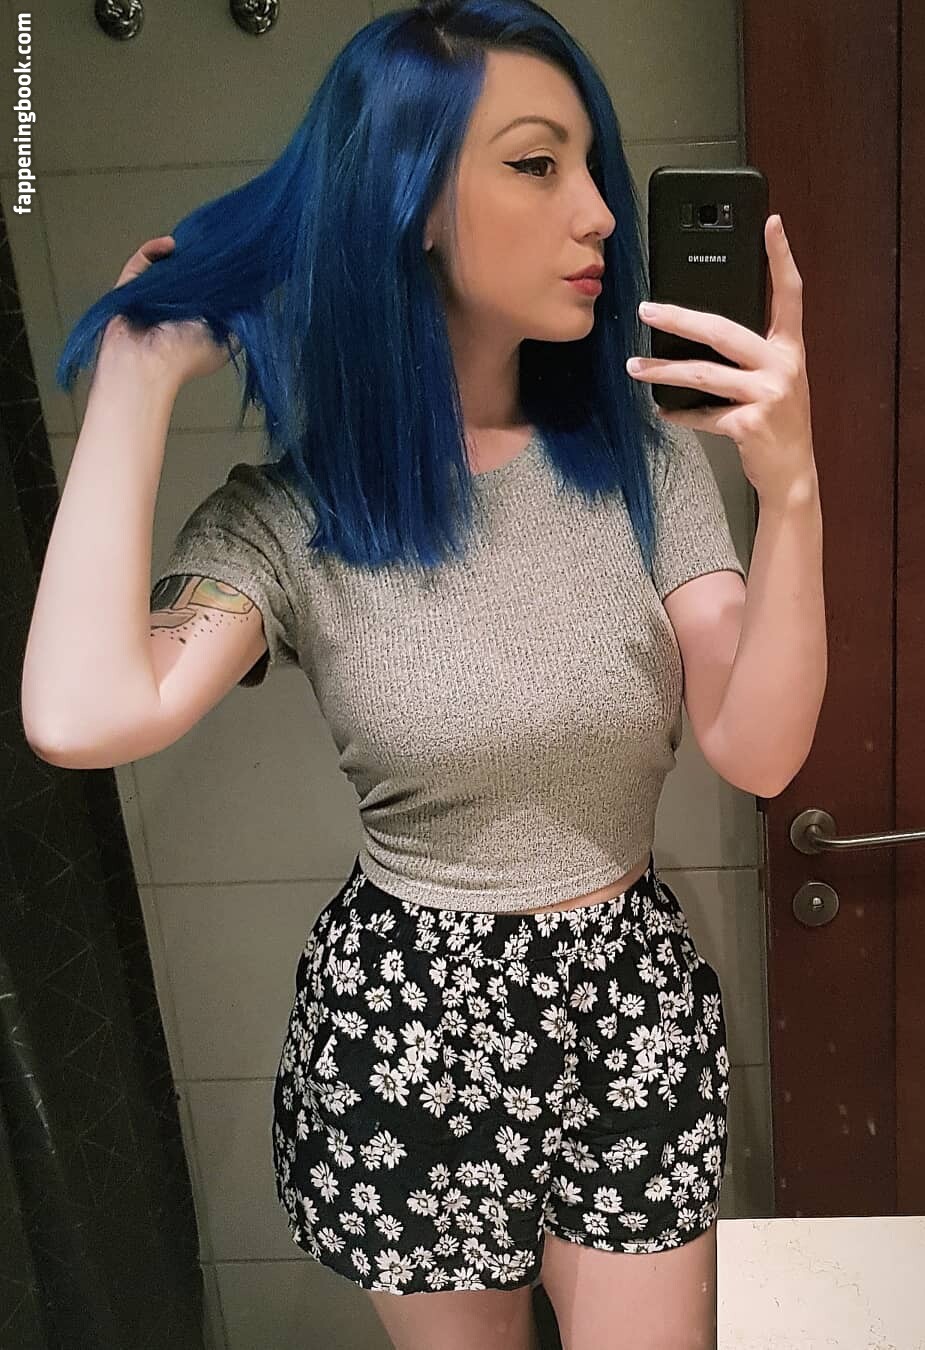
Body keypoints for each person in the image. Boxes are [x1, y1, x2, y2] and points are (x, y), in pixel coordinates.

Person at [29, 4, 747, 1347]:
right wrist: (134, 379)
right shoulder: (292, 519)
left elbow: (757, 732)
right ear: (409, 202)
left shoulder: (645, 470)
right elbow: (81, 714)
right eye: (536, 164)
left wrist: (796, 482)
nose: (598, 210)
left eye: (590, 163)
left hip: (633, 1000)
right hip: (403, 1026)